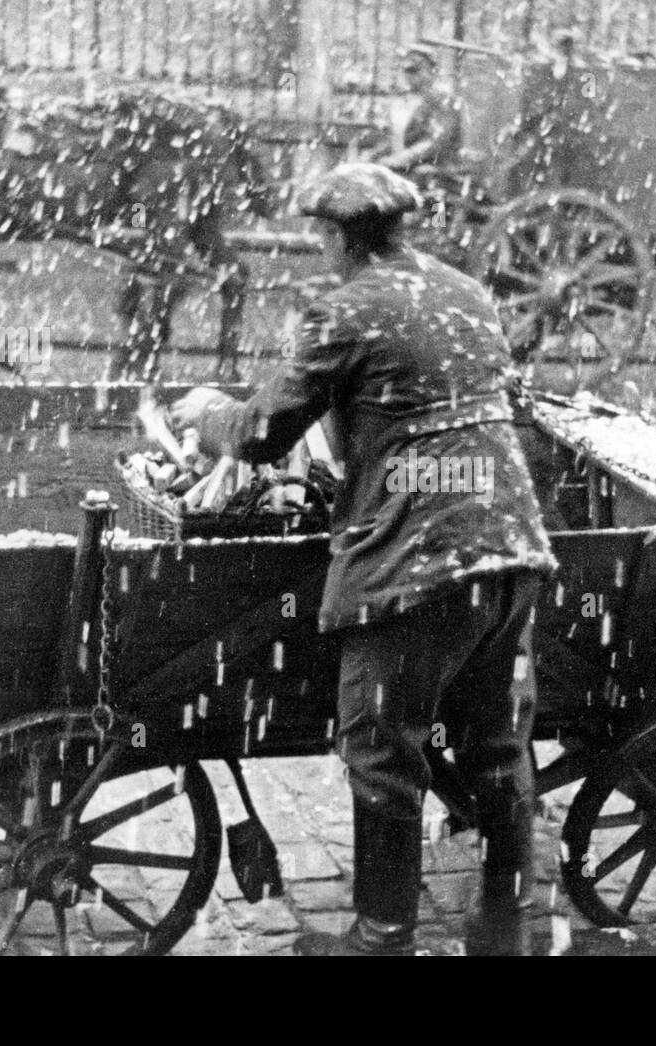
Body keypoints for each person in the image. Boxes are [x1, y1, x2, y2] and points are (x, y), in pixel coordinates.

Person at [169, 163, 558, 955]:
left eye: (322, 234)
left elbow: (259, 436)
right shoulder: (465, 290)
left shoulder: (344, 311)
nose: (320, 246)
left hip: (418, 557)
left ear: (339, 235)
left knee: (382, 752)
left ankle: (381, 938)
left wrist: (209, 411)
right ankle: (505, 923)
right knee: (495, 744)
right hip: (510, 538)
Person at [372, 45, 462, 176]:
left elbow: (435, 142)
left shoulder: (444, 102)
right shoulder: (402, 102)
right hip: (402, 167)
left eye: (415, 70)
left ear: (432, 72)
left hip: (437, 169)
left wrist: (401, 159)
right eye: (406, 70)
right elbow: (393, 138)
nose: (409, 75)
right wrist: (372, 156)